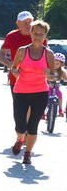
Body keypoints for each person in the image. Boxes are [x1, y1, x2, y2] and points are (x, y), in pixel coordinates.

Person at [9, 20, 57, 164]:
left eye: (41, 34)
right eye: (35, 33)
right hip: (21, 91)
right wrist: (16, 71)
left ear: (45, 36)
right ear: (31, 33)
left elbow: (53, 75)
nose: (37, 37)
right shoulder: (22, 50)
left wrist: (49, 76)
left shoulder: (49, 54)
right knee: (20, 125)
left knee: (33, 126)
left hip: (40, 92)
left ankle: (28, 153)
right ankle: (20, 138)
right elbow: (14, 67)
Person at [0, 11, 46, 93]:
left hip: (37, 79)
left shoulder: (39, 36)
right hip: (17, 78)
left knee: (34, 106)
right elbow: (0, 55)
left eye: (30, 22)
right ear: (18, 23)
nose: (28, 25)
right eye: (25, 23)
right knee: (20, 106)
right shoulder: (11, 36)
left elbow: (46, 55)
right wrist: (11, 65)